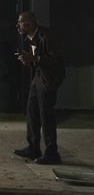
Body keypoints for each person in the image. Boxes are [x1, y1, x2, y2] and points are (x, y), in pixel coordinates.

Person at [13, 11, 65, 165]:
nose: (18, 26)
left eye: (20, 23)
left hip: (49, 79)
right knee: (32, 111)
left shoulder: (46, 36)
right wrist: (29, 60)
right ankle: (33, 148)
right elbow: (38, 59)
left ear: (28, 24)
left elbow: (57, 59)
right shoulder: (30, 37)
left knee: (46, 115)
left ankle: (52, 153)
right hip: (39, 76)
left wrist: (35, 58)